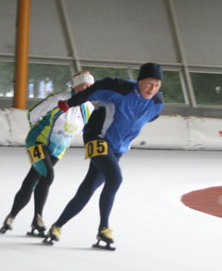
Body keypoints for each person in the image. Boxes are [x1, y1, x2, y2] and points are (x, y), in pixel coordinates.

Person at [43, 62, 164, 250]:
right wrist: (69, 103)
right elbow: (94, 89)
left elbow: (148, 118)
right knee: (115, 178)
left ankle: (57, 226)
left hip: (117, 148)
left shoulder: (157, 103)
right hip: (96, 138)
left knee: (88, 187)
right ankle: (104, 228)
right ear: (139, 81)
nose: (152, 89)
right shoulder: (120, 88)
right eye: (149, 83)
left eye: (157, 85)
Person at [0, 71, 95, 236]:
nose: (87, 89)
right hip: (37, 142)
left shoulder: (88, 108)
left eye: (90, 86)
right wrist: (40, 131)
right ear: (75, 86)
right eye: (83, 85)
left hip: (57, 150)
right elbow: (33, 113)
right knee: (48, 176)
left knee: (33, 179)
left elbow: (85, 129)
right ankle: (38, 219)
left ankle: (12, 217)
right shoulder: (59, 99)